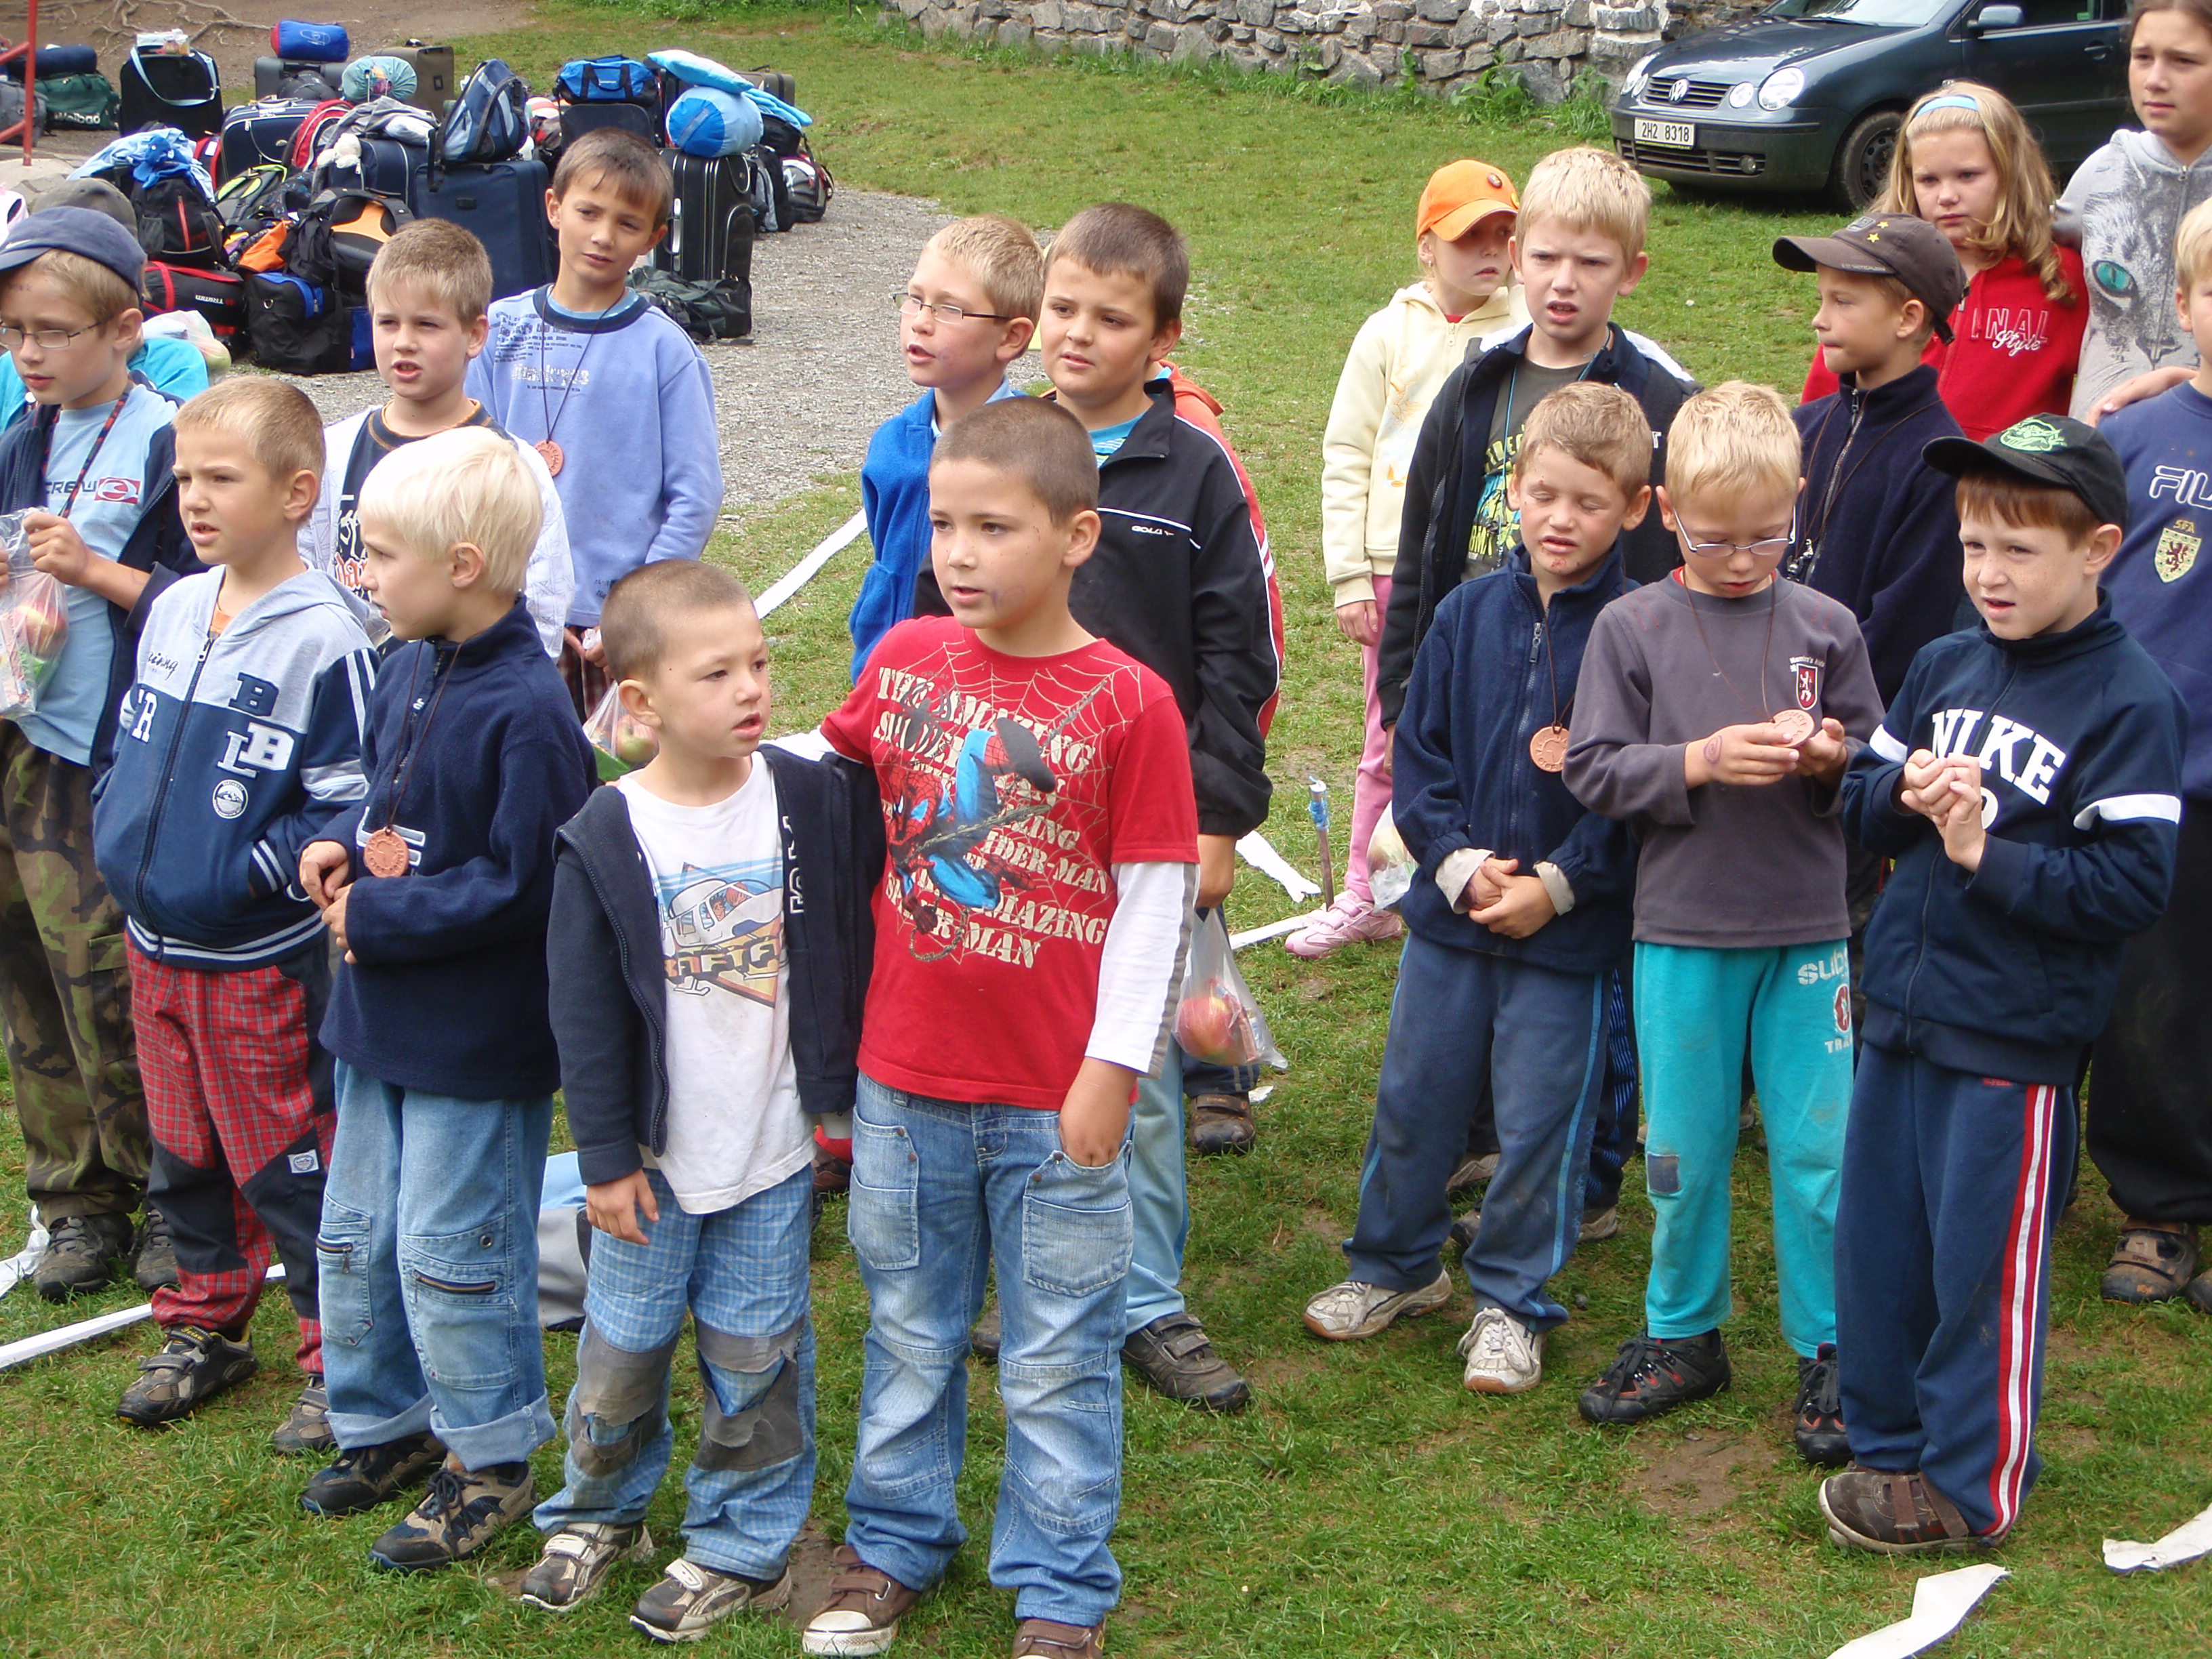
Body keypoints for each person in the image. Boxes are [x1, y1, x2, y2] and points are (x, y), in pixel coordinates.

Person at [806, 396, 1196, 1659]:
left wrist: (1112, 1067)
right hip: (902, 1082)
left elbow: (1153, 897)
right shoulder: (905, 657)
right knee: (909, 1331)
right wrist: (698, 755)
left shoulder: (1131, 703)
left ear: (1077, 536)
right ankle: (892, 1540)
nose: (958, 554)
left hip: (1052, 1099)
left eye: (993, 527)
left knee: (1057, 1350)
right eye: (943, 525)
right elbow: (822, 773)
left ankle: (1061, 1585)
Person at [1826, 416, 2182, 1551]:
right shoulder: (1943, 661)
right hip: (1899, 1016)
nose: (1987, 572)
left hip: (2011, 1041)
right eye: (1974, 544)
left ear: (2099, 549)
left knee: (1978, 1268)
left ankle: (1966, 1487)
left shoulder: (2130, 700)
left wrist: (1986, 850)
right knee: (1878, 1246)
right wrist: (1903, 794)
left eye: (2019, 550)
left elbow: (2131, 884)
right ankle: (1885, 1439)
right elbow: (1858, 802)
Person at [523, 560, 873, 1642]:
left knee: (756, 1354)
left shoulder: (808, 797)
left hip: (770, 1155)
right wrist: (606, 1158)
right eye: (715, 673)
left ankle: (740, 1544)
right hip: (651, 1170)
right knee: (620, 1353)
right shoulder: (606, 832)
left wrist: (842, 1096)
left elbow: (850, 938)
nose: (750, 688)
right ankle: (598, 1513)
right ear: (641, 701)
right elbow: (583, 1012)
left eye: (757, 663)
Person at [1563, 383, 1883, 1465]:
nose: (1742, 560)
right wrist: (1696, 761)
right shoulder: (1632, 626)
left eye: (1766, 536)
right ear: (1665, 512)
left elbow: (1874, 771)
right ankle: (1682, 1331)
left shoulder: (1828, 627)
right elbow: (1595, 769)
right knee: (1683, 1152)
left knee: (1819, 1151)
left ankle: (1832, 1347)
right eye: (1712, 538)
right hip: (1683, 936)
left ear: (1798, 505)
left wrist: (1833, 758)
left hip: (1808, 936)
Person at [1301, 383, 1641, 1395]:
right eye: (1544, 494)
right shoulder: (1463, 612)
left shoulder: (1638, 631)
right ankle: (1396, 1268)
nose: (1560, 519)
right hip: (1449, 922)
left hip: (1567, 936)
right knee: (1417, 1098)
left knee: (1540, 1125)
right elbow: (1419, 759)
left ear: (1634, 507)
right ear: (1515, 492)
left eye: (1589, 501)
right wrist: (1452, 863)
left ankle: (1512, 1300)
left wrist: (1559, 886)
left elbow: (1637, 795)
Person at [294, 428, 594, 1572]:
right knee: (359, 1230)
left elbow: (524, 882)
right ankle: (387, 1421)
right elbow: (390, 796)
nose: (363, 575)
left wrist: (376, 919)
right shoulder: (409, 660)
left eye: (381, 555)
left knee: (452, 1245)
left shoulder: (529, 711)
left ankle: (491, 1453)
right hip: (378, 1023)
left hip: (473, 1039)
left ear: (463, 565)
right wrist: (342, 840)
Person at [91, 378, 375, 1452]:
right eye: (183, 478)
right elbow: (125, 743)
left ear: (298, 494)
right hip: (153, 946)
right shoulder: (169, 607)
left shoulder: (329, 638)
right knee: (185, 1151)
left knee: (288, 1160)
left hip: (256, 959)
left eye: (221, 478)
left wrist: (248, 872)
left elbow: (350, 798)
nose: (195, 500)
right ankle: (205, 1320)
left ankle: (337, 1353)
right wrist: (117, 824)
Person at [0, 206, 202, 1300]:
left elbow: (217, 606)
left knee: (108, 978)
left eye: (50, 331)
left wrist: (90, 572)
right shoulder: (22, 437)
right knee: (30, 972)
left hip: (113, 752)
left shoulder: (173, 443)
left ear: (125, 329)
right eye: (12, 333)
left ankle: (172, 1192)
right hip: (21, 733)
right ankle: (76, 1201)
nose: (27, 353)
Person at [1377, 144, 1696, 737]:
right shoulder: (1473, 386)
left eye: (1592, 263)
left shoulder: (1665, 404)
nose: (1564, 282)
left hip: (1602, 691)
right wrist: (1400, 697)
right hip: (1474, 669)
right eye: (1546, 257)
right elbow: (1420, 544)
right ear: (1517, 258)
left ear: (1631, 272)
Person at [1289, 157, 1521, 962]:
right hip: (1398, 569)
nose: (1490, 252)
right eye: (1469, 237)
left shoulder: (1528, 329)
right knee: (1391, 735)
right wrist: (1351, 577)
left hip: (1492, 567)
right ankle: (1370, 891)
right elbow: (1346, 452)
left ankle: (1475, 882)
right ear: (1427, 247)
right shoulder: (1386, 333)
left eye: (1504, 235)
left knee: (1491, 731)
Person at [466, 127, 721, 711]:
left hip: (606, 629)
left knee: (611, 764)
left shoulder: (665, 352)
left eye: (628, 224)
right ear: (554, 208)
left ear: (653, 238)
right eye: (588, 212)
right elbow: (465, 466)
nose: (603, 236)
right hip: (505, 611)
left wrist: (639, 610)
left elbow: (695, 495)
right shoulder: (498, 330)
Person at [2081, 194, 2212, 1313]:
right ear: (2181, 301)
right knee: (2149, 997)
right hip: (2147, 770)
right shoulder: (2131, 435)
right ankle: (2158, 1204)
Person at [302, 219, 572, 656]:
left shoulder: (515, 465)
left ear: (474, 335)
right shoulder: (333, 451)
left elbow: (543, 603)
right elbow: (309, 576)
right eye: (388, 323)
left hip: (468, 686)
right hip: (354, 682)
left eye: (426, 325)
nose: (404, 342)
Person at [1800, 82, 2087, 441]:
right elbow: (1821, 406)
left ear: (2010, 172)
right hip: (1889, 470)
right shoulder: (1874, 272)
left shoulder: (2060, 278)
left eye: (1968, 176)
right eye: (1928, 180)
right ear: (1908, 180)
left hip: (2005, 476)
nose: (1947, 196)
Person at [1774, 212, 1969, 703]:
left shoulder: (1938, 462)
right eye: (1821, 299)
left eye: (1842, 302)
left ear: (1908, 318)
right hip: (1758, 693)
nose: (1819, 319)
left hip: (1849, 722)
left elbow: (1904, 630)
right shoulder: (1803, 427)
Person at [848, 213, 1039, 679]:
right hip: (886, 675)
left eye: (949, 309)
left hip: (985, 685)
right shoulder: (892, 444)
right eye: (915, 300)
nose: (920, 323)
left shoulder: (1035, 450)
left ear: (1011, 337)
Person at [2063, 0, 2212, 420]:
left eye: (2183, 61)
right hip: (2097, 440)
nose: (2155, 80)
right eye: (2143, 57)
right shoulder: (2102, 170)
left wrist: (2192, 382)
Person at [0, 180, 207, 423]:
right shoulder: (11, 365)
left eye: (54, 332)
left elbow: (180, 435)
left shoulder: (172, 362)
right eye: (13, 328)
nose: (28, 354)